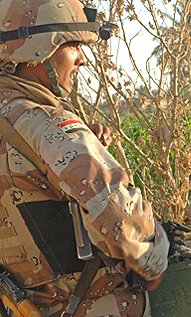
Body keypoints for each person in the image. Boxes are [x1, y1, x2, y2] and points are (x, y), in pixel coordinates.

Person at [0, 0, 169, 316]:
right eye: (73, 45)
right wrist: (155, 255)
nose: (83, 59)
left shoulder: (19, 122)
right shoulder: (48, 125)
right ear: (38, 52)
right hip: (89, 304)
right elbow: (123, 220)